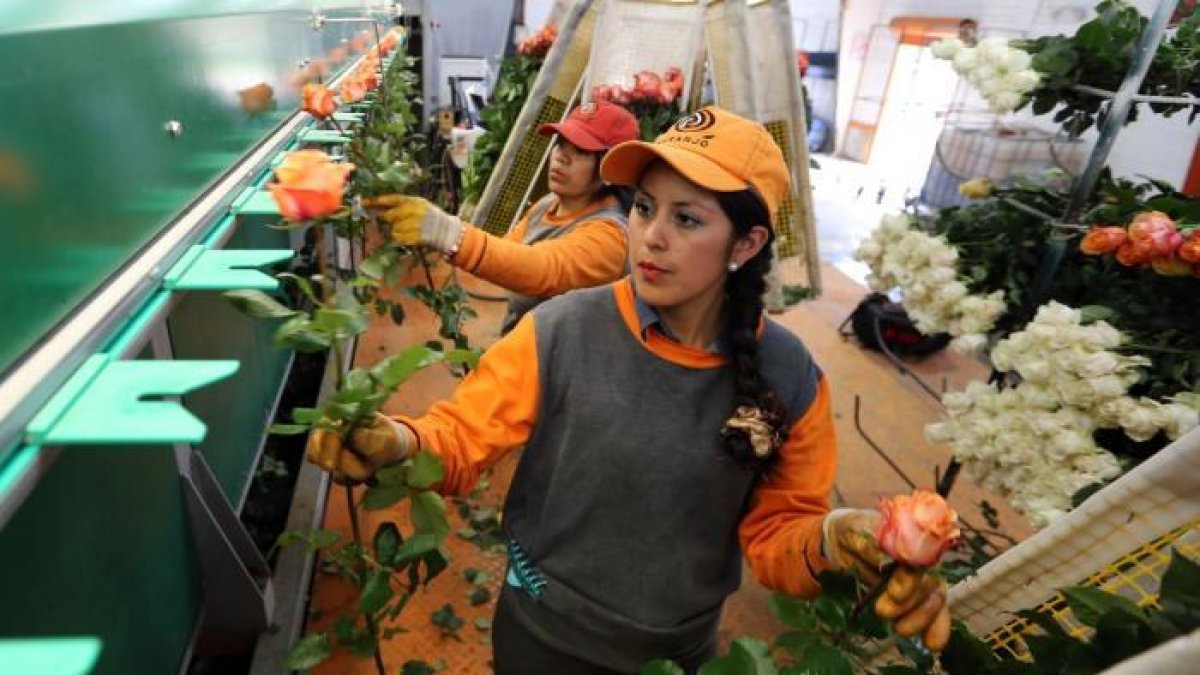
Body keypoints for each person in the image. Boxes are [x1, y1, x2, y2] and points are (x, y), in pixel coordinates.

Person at [310, 107, 950, 674]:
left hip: (672, 655)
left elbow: (781, 536)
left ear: (747, 243)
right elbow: (460, 436)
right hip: (541, 633)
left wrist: (837, 538)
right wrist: (397, 441)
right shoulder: (563, 330)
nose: (651, 236)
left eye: (687, 218)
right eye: (644, 208)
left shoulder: (788, 378)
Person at [364, 100, 640, 333]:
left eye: (580, 151)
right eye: (561, 145)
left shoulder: (611, 237)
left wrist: (446, 232)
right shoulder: (549, 205)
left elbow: (542, 270)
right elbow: (507, 254)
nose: (561, 157)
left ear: (610, 168)